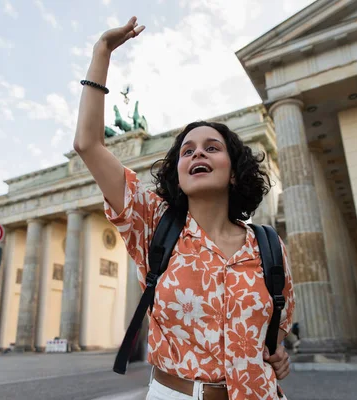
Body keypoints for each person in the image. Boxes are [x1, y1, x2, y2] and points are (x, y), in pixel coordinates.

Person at [74, 16, 295, 400]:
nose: (198, 154)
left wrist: (279, 356)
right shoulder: (153, 224)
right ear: (178, 174)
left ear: (233, 172)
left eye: (212, 147)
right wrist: (101, 55)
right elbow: (88, 145)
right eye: (187, 151)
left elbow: (274, 334)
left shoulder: (269, 247)